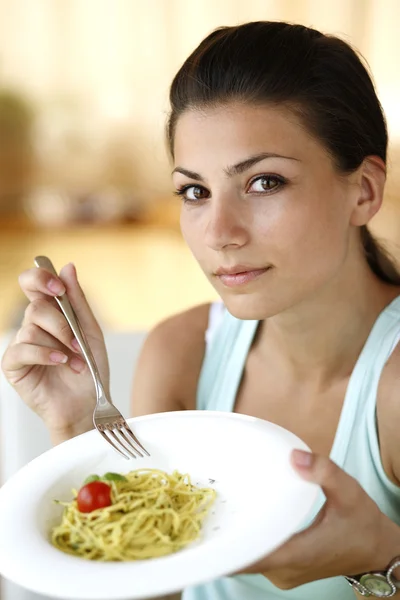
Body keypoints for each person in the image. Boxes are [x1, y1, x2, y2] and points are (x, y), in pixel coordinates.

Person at [2, 20, 400, 600]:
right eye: (195, 191)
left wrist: (380, 557)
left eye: (264, 182)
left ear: (363, 190)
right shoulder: (182, 354)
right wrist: (78, 430)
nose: (219, 233)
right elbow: (150, 587)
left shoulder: (391, 392)